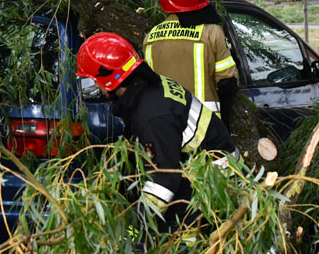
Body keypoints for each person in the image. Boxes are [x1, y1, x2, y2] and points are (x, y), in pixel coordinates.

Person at [76, 32, 239, 243]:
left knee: (176, 229)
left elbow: (165, 179)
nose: (94, 88)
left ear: (109, 78)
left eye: (93, 81)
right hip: (202, 164)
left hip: (213, 178)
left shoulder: (153, 116)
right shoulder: (148, 88)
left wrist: (134, 232)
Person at [142, 0, 239, 127]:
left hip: (166, 126)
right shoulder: (212, 33)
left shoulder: (151, 38)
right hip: (206, 127)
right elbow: (227, 82)